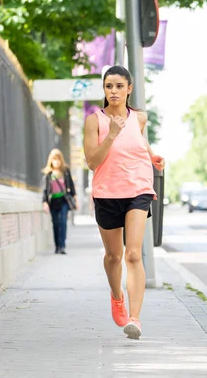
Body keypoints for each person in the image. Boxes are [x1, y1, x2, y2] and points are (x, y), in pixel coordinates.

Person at [83, 65, 165, 340]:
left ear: (129, 89)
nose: (114, 91)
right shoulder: (94, 121)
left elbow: (140, 143)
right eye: (109, 86)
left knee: (133, 254)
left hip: (138, 189)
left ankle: (135, 318)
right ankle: (117, 296)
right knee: (113, 257)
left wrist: (153, 157)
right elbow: (93, 162)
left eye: (119, 86)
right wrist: (112, 134)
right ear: (104, 90)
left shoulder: (139, 118)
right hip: (107, 193)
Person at [42, 149, 77, 255]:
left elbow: (71, 185)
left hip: (64, 201)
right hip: (53, 201)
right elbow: (45, 190)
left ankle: (62, 246)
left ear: (61, 160)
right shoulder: (48, 174)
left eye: (58, 160)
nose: (56, 162)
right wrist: (44, 202)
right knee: (55, 224)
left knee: (62, 222)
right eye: (54, 160)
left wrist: (75, 198)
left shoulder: (65, 171)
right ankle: (57, 246)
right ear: (51, 161)